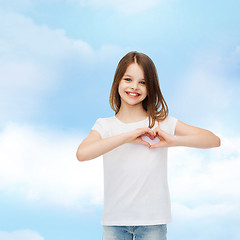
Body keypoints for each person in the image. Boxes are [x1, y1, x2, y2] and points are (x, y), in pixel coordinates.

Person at [76, 51, 221, 240]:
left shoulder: (161, 122)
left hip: (153, 220)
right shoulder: (105, 126)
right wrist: (127, 136)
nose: (134, 87)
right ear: (117, 82)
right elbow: (82, 154)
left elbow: (212, 140)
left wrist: (174, 141)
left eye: (142, 82)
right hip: (115, 221)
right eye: (128, 79)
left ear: (150, 87)